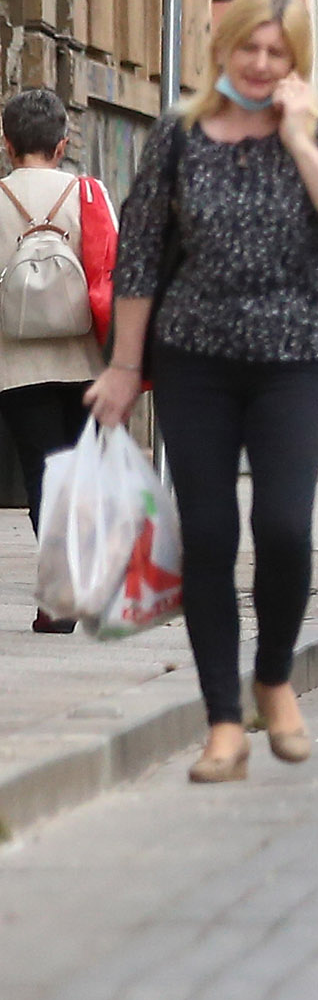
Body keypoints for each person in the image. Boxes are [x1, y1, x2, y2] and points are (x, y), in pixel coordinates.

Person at [90, 0, 318, 783]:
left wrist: (295, 133)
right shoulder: (178, 137)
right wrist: (123, 366)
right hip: (197, 361)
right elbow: (142, 256)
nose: (259, 64)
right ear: (223, 49)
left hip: (294, 356)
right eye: (248, 48)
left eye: (276, 52)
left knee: (284, 525)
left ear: (295, 63)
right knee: (211, 535)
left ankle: (274, 677)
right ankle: (223, 721)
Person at [3, 87, 119, 630]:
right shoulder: (89, 195)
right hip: (87, 361)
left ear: (7, 145)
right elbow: (117, 275)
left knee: (41, 472)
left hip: (16, 364)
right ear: (62, 144)